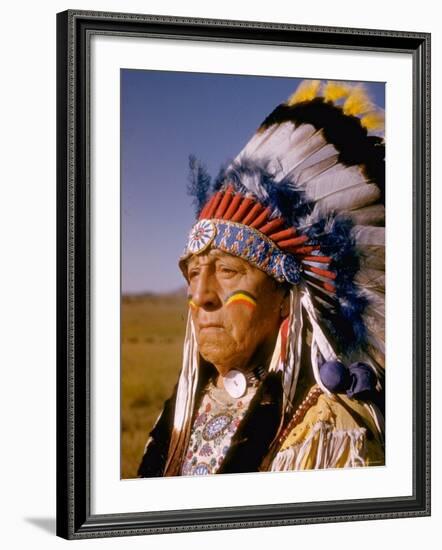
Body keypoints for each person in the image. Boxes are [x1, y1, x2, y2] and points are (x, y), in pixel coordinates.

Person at [137, 79, 385, 477]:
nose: (201, 296)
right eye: (194, 274)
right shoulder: (178, 413)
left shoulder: (328, 430)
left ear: (285, 298)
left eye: (228, 271)